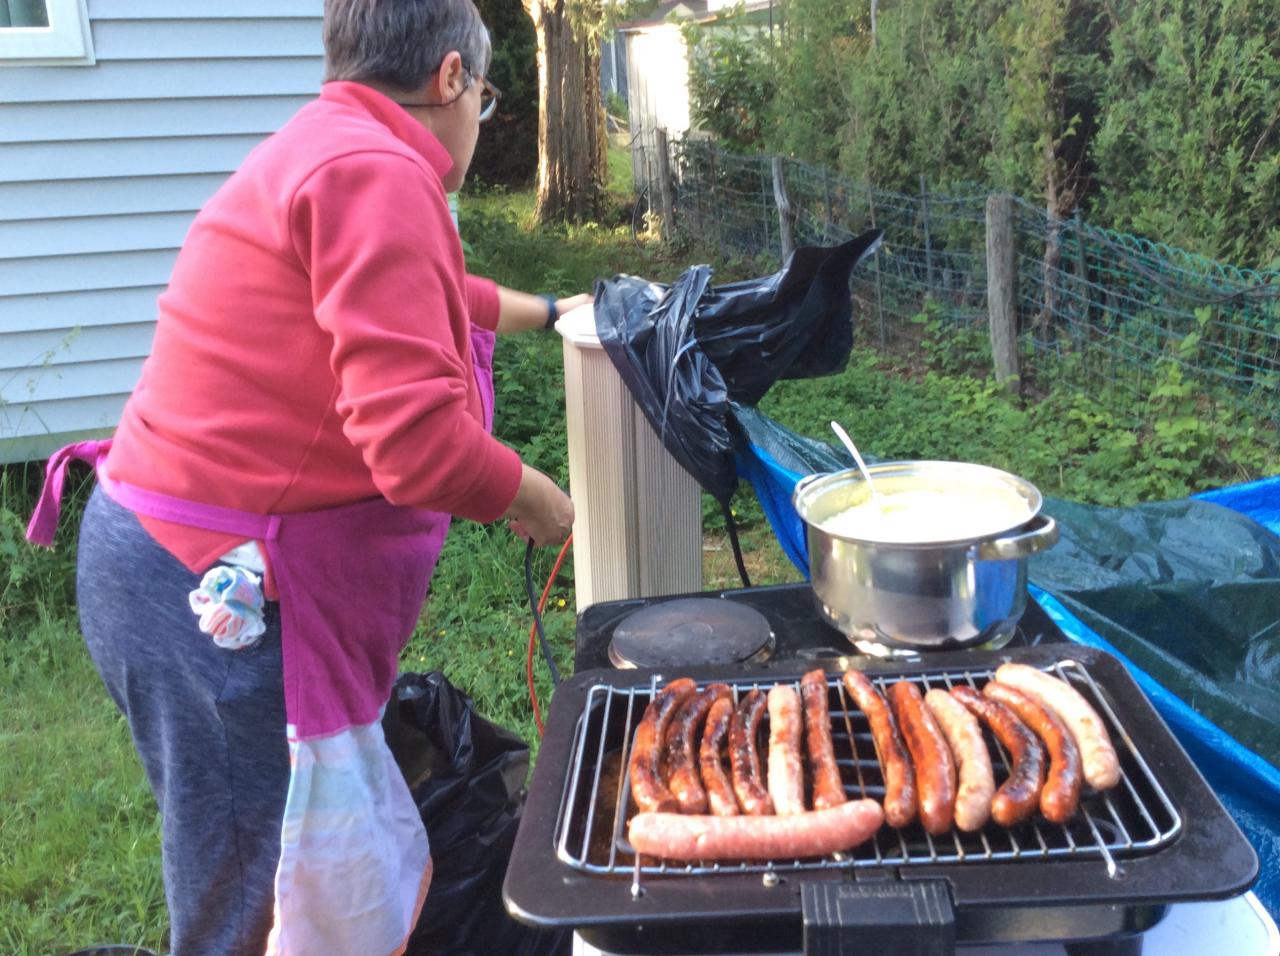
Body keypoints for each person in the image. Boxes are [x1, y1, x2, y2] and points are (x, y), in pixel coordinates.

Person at [25, 1, 579, 953]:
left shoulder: (334, 147)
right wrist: (541, 499)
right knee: (250, 887)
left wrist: (555, 308)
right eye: (483, 98)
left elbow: (440, 288)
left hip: (154, 556)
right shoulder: (377, 173)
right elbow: (415, 447)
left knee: (250, 860)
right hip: (208, 591)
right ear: (451, 78)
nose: (477, 122)